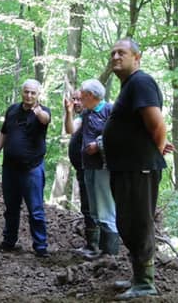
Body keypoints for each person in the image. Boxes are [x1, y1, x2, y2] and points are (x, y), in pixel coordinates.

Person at [102, 38, 174, 299]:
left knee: (139, 224)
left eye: (121, 52)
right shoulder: (129, 86)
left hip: (138, 168)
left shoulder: (141, 82)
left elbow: (157, 125)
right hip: (127, 167)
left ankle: (145, 283)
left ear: (137, 57)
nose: (115, 57)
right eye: (112, 53)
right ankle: (138, 276)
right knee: (127, 222)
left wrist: (151, 150)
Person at [0, 79, 51, 258]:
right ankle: (9, 241)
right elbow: (4, 133)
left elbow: (45, 120)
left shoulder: (43, 111)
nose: (29, 95)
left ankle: (40, 247)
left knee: (36, 209)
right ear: (22, 92)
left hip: (32, 168)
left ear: (38, 94)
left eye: (33, 93)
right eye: (26, 92)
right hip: (9, 168)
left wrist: (39, 113)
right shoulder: (12, 110)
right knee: (11, 207)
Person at [78, 79, 119, 259]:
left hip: (104, 167)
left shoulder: (109, 110)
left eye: (82, 94)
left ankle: (110, 256)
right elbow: (71, 129)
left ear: (91, 95)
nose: (79, 97)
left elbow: (118, 135)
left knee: (106, 210)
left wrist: (98, 145)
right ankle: (100, 251)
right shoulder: (86, 113)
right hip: (89, 166)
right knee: (95, 210)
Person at [64, 89, 99, 254]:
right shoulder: (80, 118)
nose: (77, 102)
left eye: (80, 99)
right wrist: (68, 112)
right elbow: (70, 129)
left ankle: (97, 246)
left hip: (94, 169)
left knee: (94, 206)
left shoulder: (97, 116)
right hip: (82, 169)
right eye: (74, 99)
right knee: (86, 205)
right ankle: (91, 244)